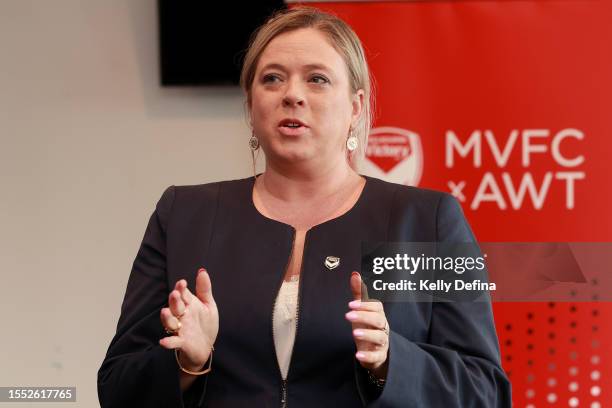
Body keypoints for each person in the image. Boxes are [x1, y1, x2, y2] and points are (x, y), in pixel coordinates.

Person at [98, 7, 511, 407]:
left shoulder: (424, 222)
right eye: (272, 79)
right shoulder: (185, 214)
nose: (292, 95)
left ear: (355, 107)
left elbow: (485, 392)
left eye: (317, 79)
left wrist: (391, 360)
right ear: (251, 106)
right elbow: (118, 387)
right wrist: (188, 363)